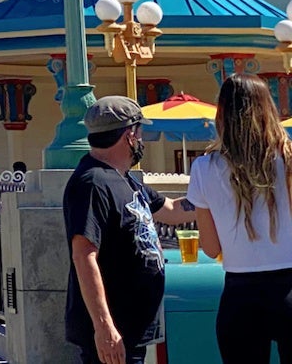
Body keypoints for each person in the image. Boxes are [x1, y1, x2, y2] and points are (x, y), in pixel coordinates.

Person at [65, 96, 194, 364]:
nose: (142, 140)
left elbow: (171, 210)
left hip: (131, 331)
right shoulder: (92, 183)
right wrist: (104, 327)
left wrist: (214, 196)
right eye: (140, 132)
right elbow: (83, 255)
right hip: (114, 334)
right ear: (129, 135)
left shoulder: (124, 179)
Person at [187, 74, 292, 362]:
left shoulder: (204, 168)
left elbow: (210, 248)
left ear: (222, 114)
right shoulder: (289, 159)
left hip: (241, 295)